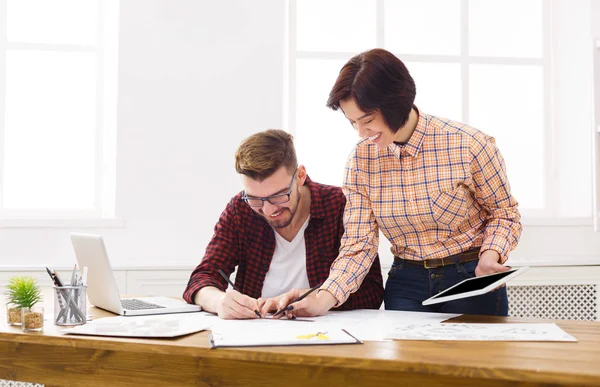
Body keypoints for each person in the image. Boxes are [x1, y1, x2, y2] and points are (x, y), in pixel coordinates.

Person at [272, 48, 522, 318]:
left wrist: (490, 254)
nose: (361, 132)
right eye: (352, 122)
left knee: (474, 359)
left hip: (470, 276)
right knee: (409, 361)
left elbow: (504, 213)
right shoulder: (361, 161)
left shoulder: (469, 145)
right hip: (406, 282)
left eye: (367, 120)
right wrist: (323, 298)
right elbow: (359, 243)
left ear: (397, 102)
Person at [182, 129, 384, 319]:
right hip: (254, 336)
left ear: (301, 176)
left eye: (278, 196)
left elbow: (372, 291)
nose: (268, 210)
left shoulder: (341, 205)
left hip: (325, 336)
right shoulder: (240, 209)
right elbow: (202, 278)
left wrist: (322, 299)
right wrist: (218, 301)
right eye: (255, 199)